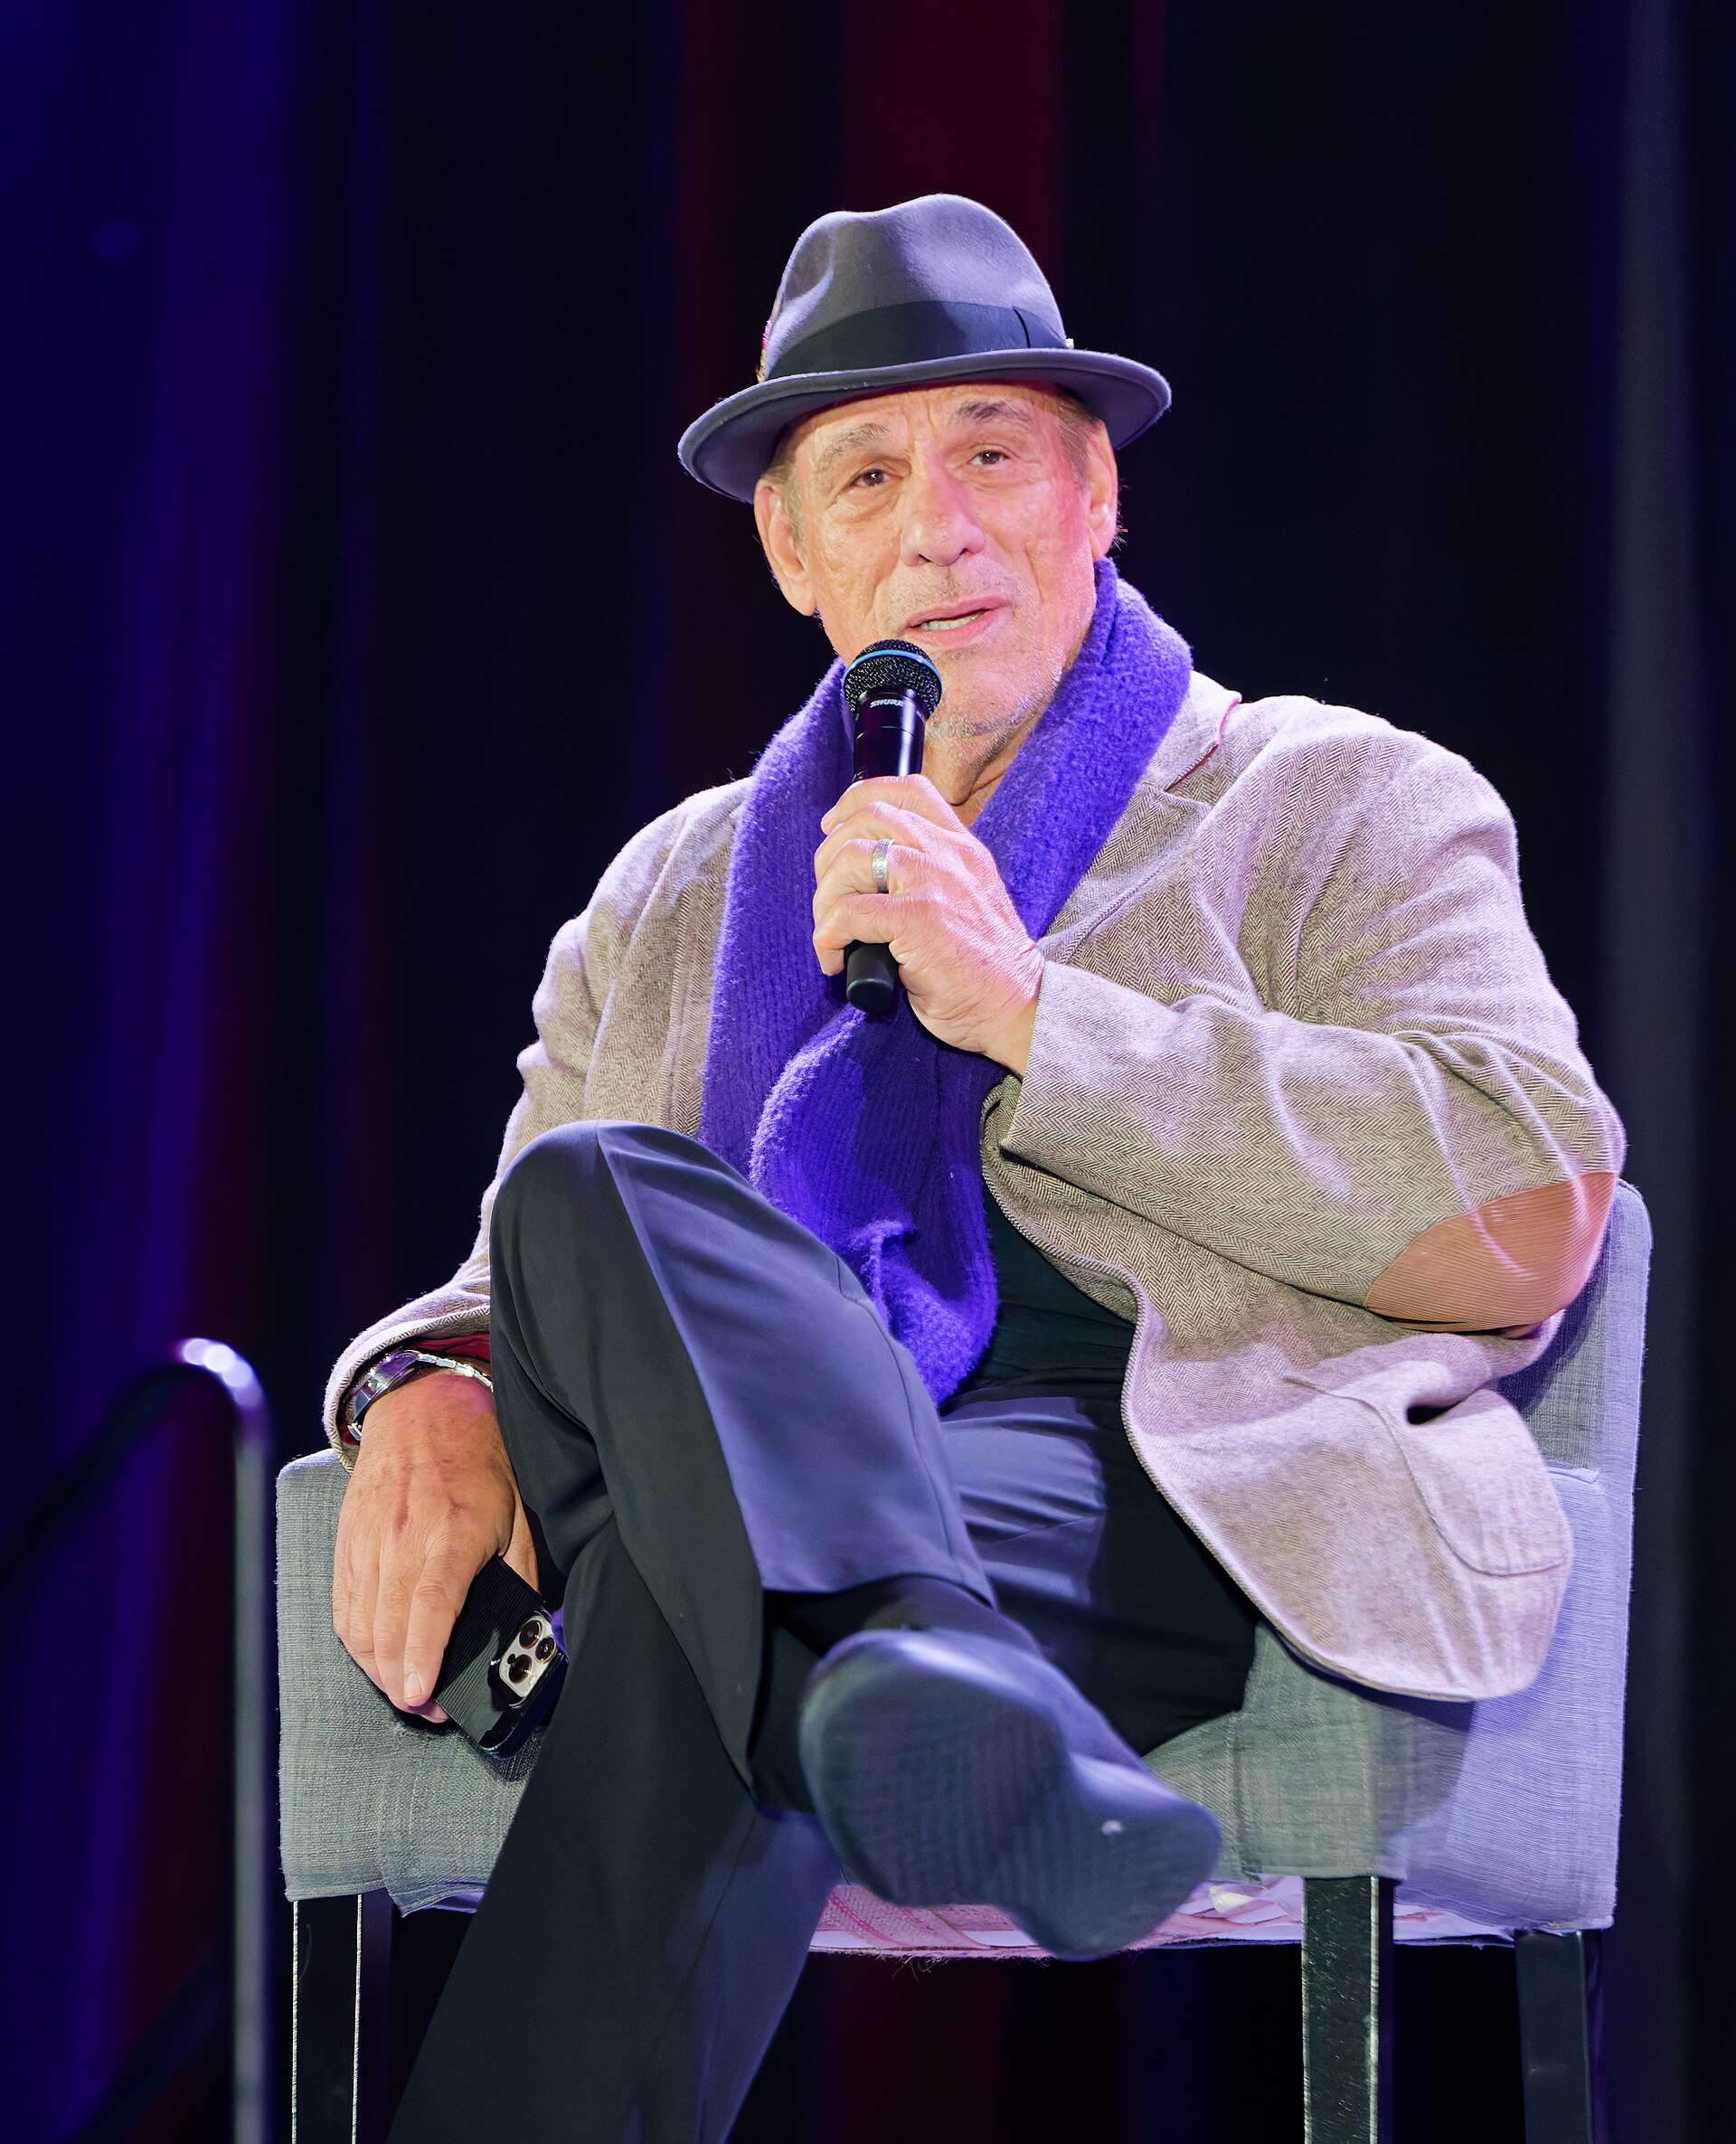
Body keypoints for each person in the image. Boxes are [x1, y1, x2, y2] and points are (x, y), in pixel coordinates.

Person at [325, 196, 1623, 2142]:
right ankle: (905, 1666)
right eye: (865, 475)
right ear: (792, 550)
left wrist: (1037, 1012)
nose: (940, 524)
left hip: (1149, 1475)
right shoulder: (678, 886)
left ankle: (878, 1658)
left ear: (1096, 491)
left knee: (704, 1632)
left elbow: (1530, 1203)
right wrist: (420, 1378)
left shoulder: (1334, 798)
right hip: (773, 1449)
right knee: (594, 1190)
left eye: (994, 454)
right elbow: (536, 1242)